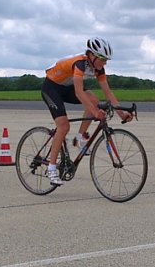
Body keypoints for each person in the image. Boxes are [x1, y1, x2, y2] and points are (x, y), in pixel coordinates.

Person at [41, 38, 133, 186]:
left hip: (67, 88)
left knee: (95, 100)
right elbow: (79, 92)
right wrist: (95, 112)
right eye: (102, 59)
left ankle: (80, 139)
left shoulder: (99, 69)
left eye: (106, 60)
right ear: (92, 55)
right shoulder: (80, 64)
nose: (105, 63)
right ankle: (52, 169)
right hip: (51, 88)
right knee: (64, 127)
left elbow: (108, 93)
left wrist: (122, 113)